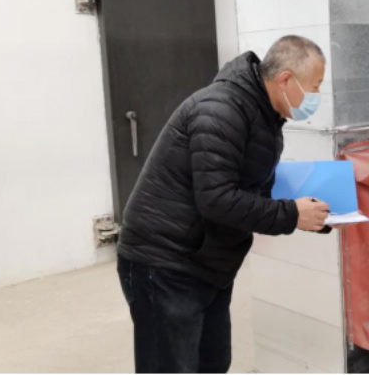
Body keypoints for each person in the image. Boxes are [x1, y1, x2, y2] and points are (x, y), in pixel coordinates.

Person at [115, 35, 330, 373]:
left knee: (212, 363)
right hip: (165, 263)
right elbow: (216, 199)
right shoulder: (222, 109)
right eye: (314, 87)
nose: (316, 97)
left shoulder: (265, 114)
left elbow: (251, 187)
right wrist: (291, 214)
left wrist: (312, 211)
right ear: (286, 79)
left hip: (206, 261)